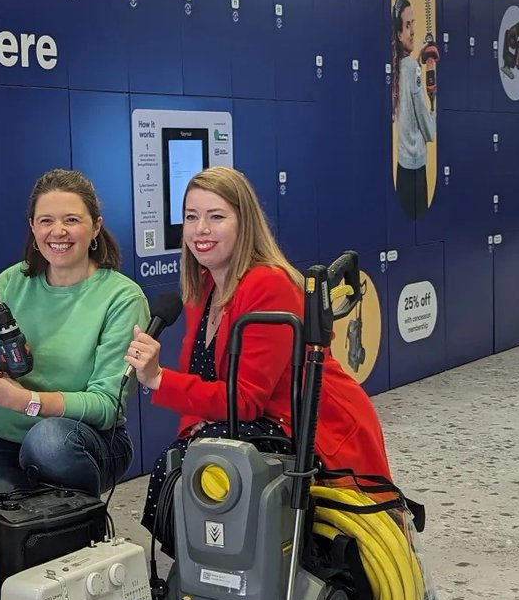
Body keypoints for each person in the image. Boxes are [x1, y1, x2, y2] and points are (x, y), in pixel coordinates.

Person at [125, 167, 393, 544]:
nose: (200, 229)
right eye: (191, 217)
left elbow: (246, 400)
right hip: (256, 422)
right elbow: (203, 381)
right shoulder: (203, 287)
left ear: (244, 223)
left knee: (188, 468)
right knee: (175, 466)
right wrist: (193, 429)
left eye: (216, 217)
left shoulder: (267, 284)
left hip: (307, 427)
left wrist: (157, 379)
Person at [0, 168, 149, 498]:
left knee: (47, 443)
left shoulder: (122, 298)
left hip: (84, 440)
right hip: (4, 438)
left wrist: (26, 401)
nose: (58, 231)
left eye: (72, 220)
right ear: (33, 228)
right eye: (46, 221)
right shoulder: (7, 285)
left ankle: (85, 529)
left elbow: (106, 405)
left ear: (96, 228)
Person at [392, 0, 436, 221]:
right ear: (399, 34)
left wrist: (418, 58)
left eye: (413, 23)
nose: (412, 31)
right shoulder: (412, 70)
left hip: (402, 168)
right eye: (407, 26)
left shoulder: (397, 68)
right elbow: (429, 130)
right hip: (417, 168)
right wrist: (434, 106)